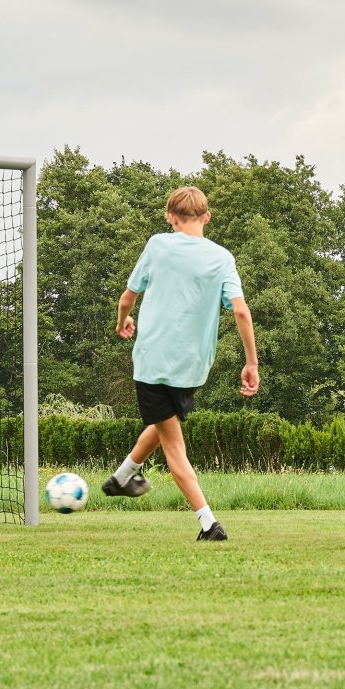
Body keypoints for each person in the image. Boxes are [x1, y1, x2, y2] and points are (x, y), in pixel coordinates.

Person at [102, 186, 259, 541]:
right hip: (192, 367)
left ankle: (209, 524)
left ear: (170, 217)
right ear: (207, 217)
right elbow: (241, 311)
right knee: (165, 424)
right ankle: (123, 478)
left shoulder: (158, 244)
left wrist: (122, 321)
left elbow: (128, 297)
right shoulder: (223, 257)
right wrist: (252, 363)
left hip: (153, 360)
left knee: (172, 441)